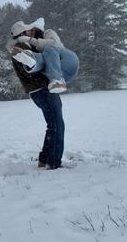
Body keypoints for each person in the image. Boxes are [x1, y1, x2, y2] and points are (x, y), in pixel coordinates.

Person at [7, 18, 79, 169]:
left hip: (36, 92)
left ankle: (44, 159)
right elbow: (39, 67)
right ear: (22, 33)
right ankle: (53, 162)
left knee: (52, 125)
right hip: (44, 89)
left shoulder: (18, 48)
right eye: (26, 31)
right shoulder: (23, 48)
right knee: (57, 125)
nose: (30, 31)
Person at [10, 18, 79, 93]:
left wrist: (30, 40)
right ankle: (33, 63)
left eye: (23, 33)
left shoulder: (47, 32)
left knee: (48, 50)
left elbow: (54, 44)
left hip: (67, 61)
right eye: (19, 36)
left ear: (29, 29)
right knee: (39, 60)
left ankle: (57, 80)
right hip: (62, 74)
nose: (22, 36)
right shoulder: (29, 46)